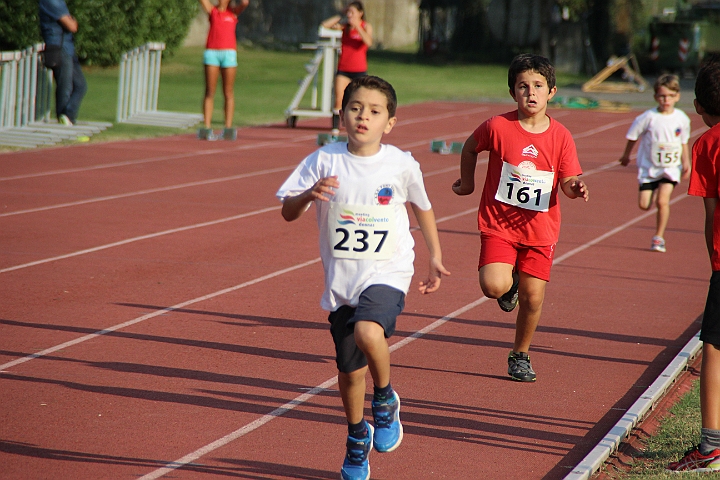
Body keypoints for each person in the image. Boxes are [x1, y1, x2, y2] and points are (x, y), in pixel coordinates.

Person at [276, 75, 449, 480]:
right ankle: (357, 436)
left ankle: (385, 400)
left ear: (390, 122)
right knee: (350, 373)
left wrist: (435, 255)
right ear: (341, 116)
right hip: (343, 282)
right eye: (355, 108)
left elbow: (422, 207)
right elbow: (287, 211)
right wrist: (308, 194)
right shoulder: (324, 160)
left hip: (389, 270)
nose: (363, 117)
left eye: (374, 111)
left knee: (370, 333)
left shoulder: (400, 163)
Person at [452, 53, 589, 383]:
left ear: (551, 92)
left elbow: (568, 181)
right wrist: (468, 183)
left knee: (533, 298)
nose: (531, 92)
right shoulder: (497, 127)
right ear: (513, 91)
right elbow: (469, 148)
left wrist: (575, 187)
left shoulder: (561, 136)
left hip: (540, 230)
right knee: (492, 286)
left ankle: (520, 355)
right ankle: (509, 282)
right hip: (499, 224)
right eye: (523, 86)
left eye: (538, 86)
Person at [666, 55, 720, 473]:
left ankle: (711, 446)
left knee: (715, 348)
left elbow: (710, 214)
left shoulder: (706, 145)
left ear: (699, 106)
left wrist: (714, 263)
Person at [619, 74, 691, 253]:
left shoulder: (682, 118)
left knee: (662, 201)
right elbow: (632, 137)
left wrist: (686, 162)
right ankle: (653, 189)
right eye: (662, 96)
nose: (666, 100)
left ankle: (659, 237)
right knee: (644, 205)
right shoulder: (647, 117)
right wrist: (626, 156)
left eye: (671, 96)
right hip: (649, 169)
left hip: (670, 169)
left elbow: (683, 142)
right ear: (655, 97)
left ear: (677, 96)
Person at [197, 0, 249, 141]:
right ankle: (207, 126)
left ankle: (227, 127)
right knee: (209, 91)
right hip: (212, 52)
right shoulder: (213, 11)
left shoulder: (233, 12)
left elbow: (245, 3)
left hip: (228, 53)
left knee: (228, 92)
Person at [321, 2, 372, 134]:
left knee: (360, 99)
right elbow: (325, 25)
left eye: (352, 12)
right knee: (339, 98)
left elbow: (368, 42)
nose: (350, 15)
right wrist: (340, 14)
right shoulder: (344, 27)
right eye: (348, 12)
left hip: (359, 70)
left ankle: (359, 124)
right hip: (344, 69)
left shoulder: (365, 26)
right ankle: (335, 128)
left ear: (360, 13)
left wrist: (357, 27)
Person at [38, 0, 87, 126]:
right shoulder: (51, 1)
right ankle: (64, 120)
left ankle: (67, 115)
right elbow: (72, 26)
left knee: (80, 85)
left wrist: (71, 20)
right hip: (59, 49)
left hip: (68, 49)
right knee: (65, 87)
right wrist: (72, 20)